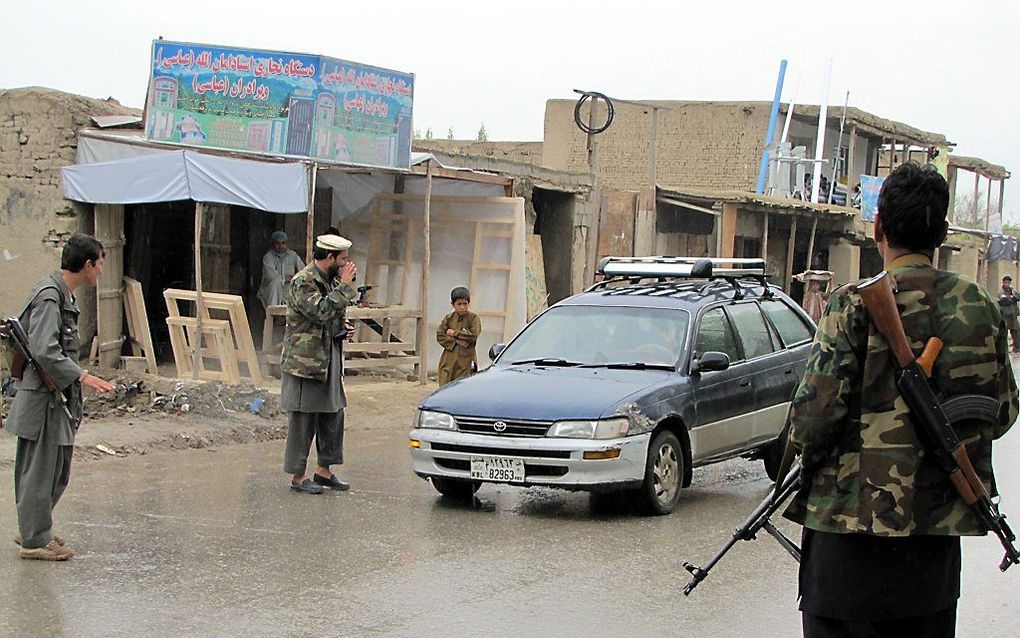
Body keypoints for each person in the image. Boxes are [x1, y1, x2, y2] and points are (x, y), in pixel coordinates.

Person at [784, 162, 1018, 637]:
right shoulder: (979, 307)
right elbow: (1003, 414)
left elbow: (810, 422)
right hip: (931, 547)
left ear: (877, 227)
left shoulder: (849, 305)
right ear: (943, 233)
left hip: (845, 543)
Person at [6, 234, 116, 560]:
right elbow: (43, 349)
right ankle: (34, 540)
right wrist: (83, 375)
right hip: (42, 400)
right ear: (87, 265)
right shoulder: (50, 297)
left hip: (55, 399)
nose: (100, 272)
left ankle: (37, 529)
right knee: (40, 472)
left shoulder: (64, 296)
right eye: (99, 264)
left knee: (57, 471)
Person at [281, 234, 357, 494]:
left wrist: (343, 327)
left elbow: (334, 315)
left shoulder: (330, 281)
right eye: (343, 259)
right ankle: (298, 476)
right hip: (307, 360)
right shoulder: (303, 281)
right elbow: (320, 311)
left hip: (329, 356)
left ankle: (324, 470)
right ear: (329, 258)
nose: (347, 264)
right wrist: (345, 288)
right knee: (304, 418)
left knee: (333, 412)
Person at [436, 287, 481, 386]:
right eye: (459, 304)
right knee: (444, 387)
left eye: (465, 304)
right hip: (448, 361)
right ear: (452, 304)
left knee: (461, 387)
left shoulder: (473, 318)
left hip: (465, 362)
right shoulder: (449, 318)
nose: (462, 307)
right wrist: (457, 341)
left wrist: (454, 333)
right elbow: (440, 335)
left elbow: (473, 335)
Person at [256, 230, 304, 309]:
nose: (281, 246)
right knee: (276, 283)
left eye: (283, 243)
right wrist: (287, 278)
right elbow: (272, 277)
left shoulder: (293, 255)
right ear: (273, 244)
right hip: (271, 290)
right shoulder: (268, 257)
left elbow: (303, 272)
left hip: (288, 289)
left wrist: (294, 278)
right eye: (278, 243)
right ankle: (273, 312)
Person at [999, 275, 1019, 353]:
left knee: (1016, 332)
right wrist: (1012, 298)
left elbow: (1017, 297)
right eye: (1006, 282)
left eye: (1008, 282)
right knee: (1004, 334)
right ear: (1003, 283)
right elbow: (1004, 301)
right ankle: (1004, 350)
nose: (1007, 284)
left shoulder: (1012, 290)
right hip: (1005, 316)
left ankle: (1017, 349)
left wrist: (1012, 297)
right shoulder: (1000, 291)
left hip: (1013, 316)